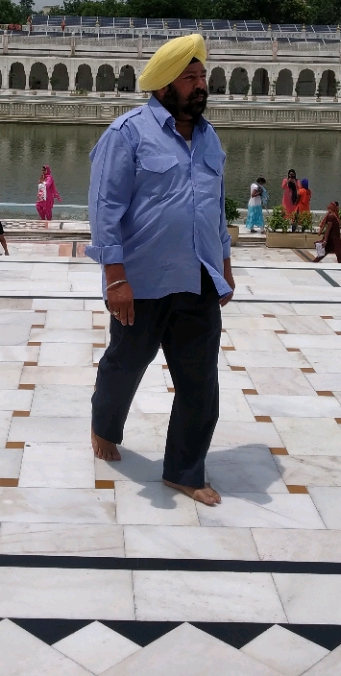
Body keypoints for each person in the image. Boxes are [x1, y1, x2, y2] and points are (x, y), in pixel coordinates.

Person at [86, 32, 234, 508]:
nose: (199, 85)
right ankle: (104, 425)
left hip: (197, 281)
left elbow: (214, 209)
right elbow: (106, 207)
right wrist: (115, 277)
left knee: (200, 382)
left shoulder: (209, 138)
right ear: (165, 84)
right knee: (125, 365)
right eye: (189, 78)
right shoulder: (127, 133)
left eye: (201, 76)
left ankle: (184, 471)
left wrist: (225, 266)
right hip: (142, 281)